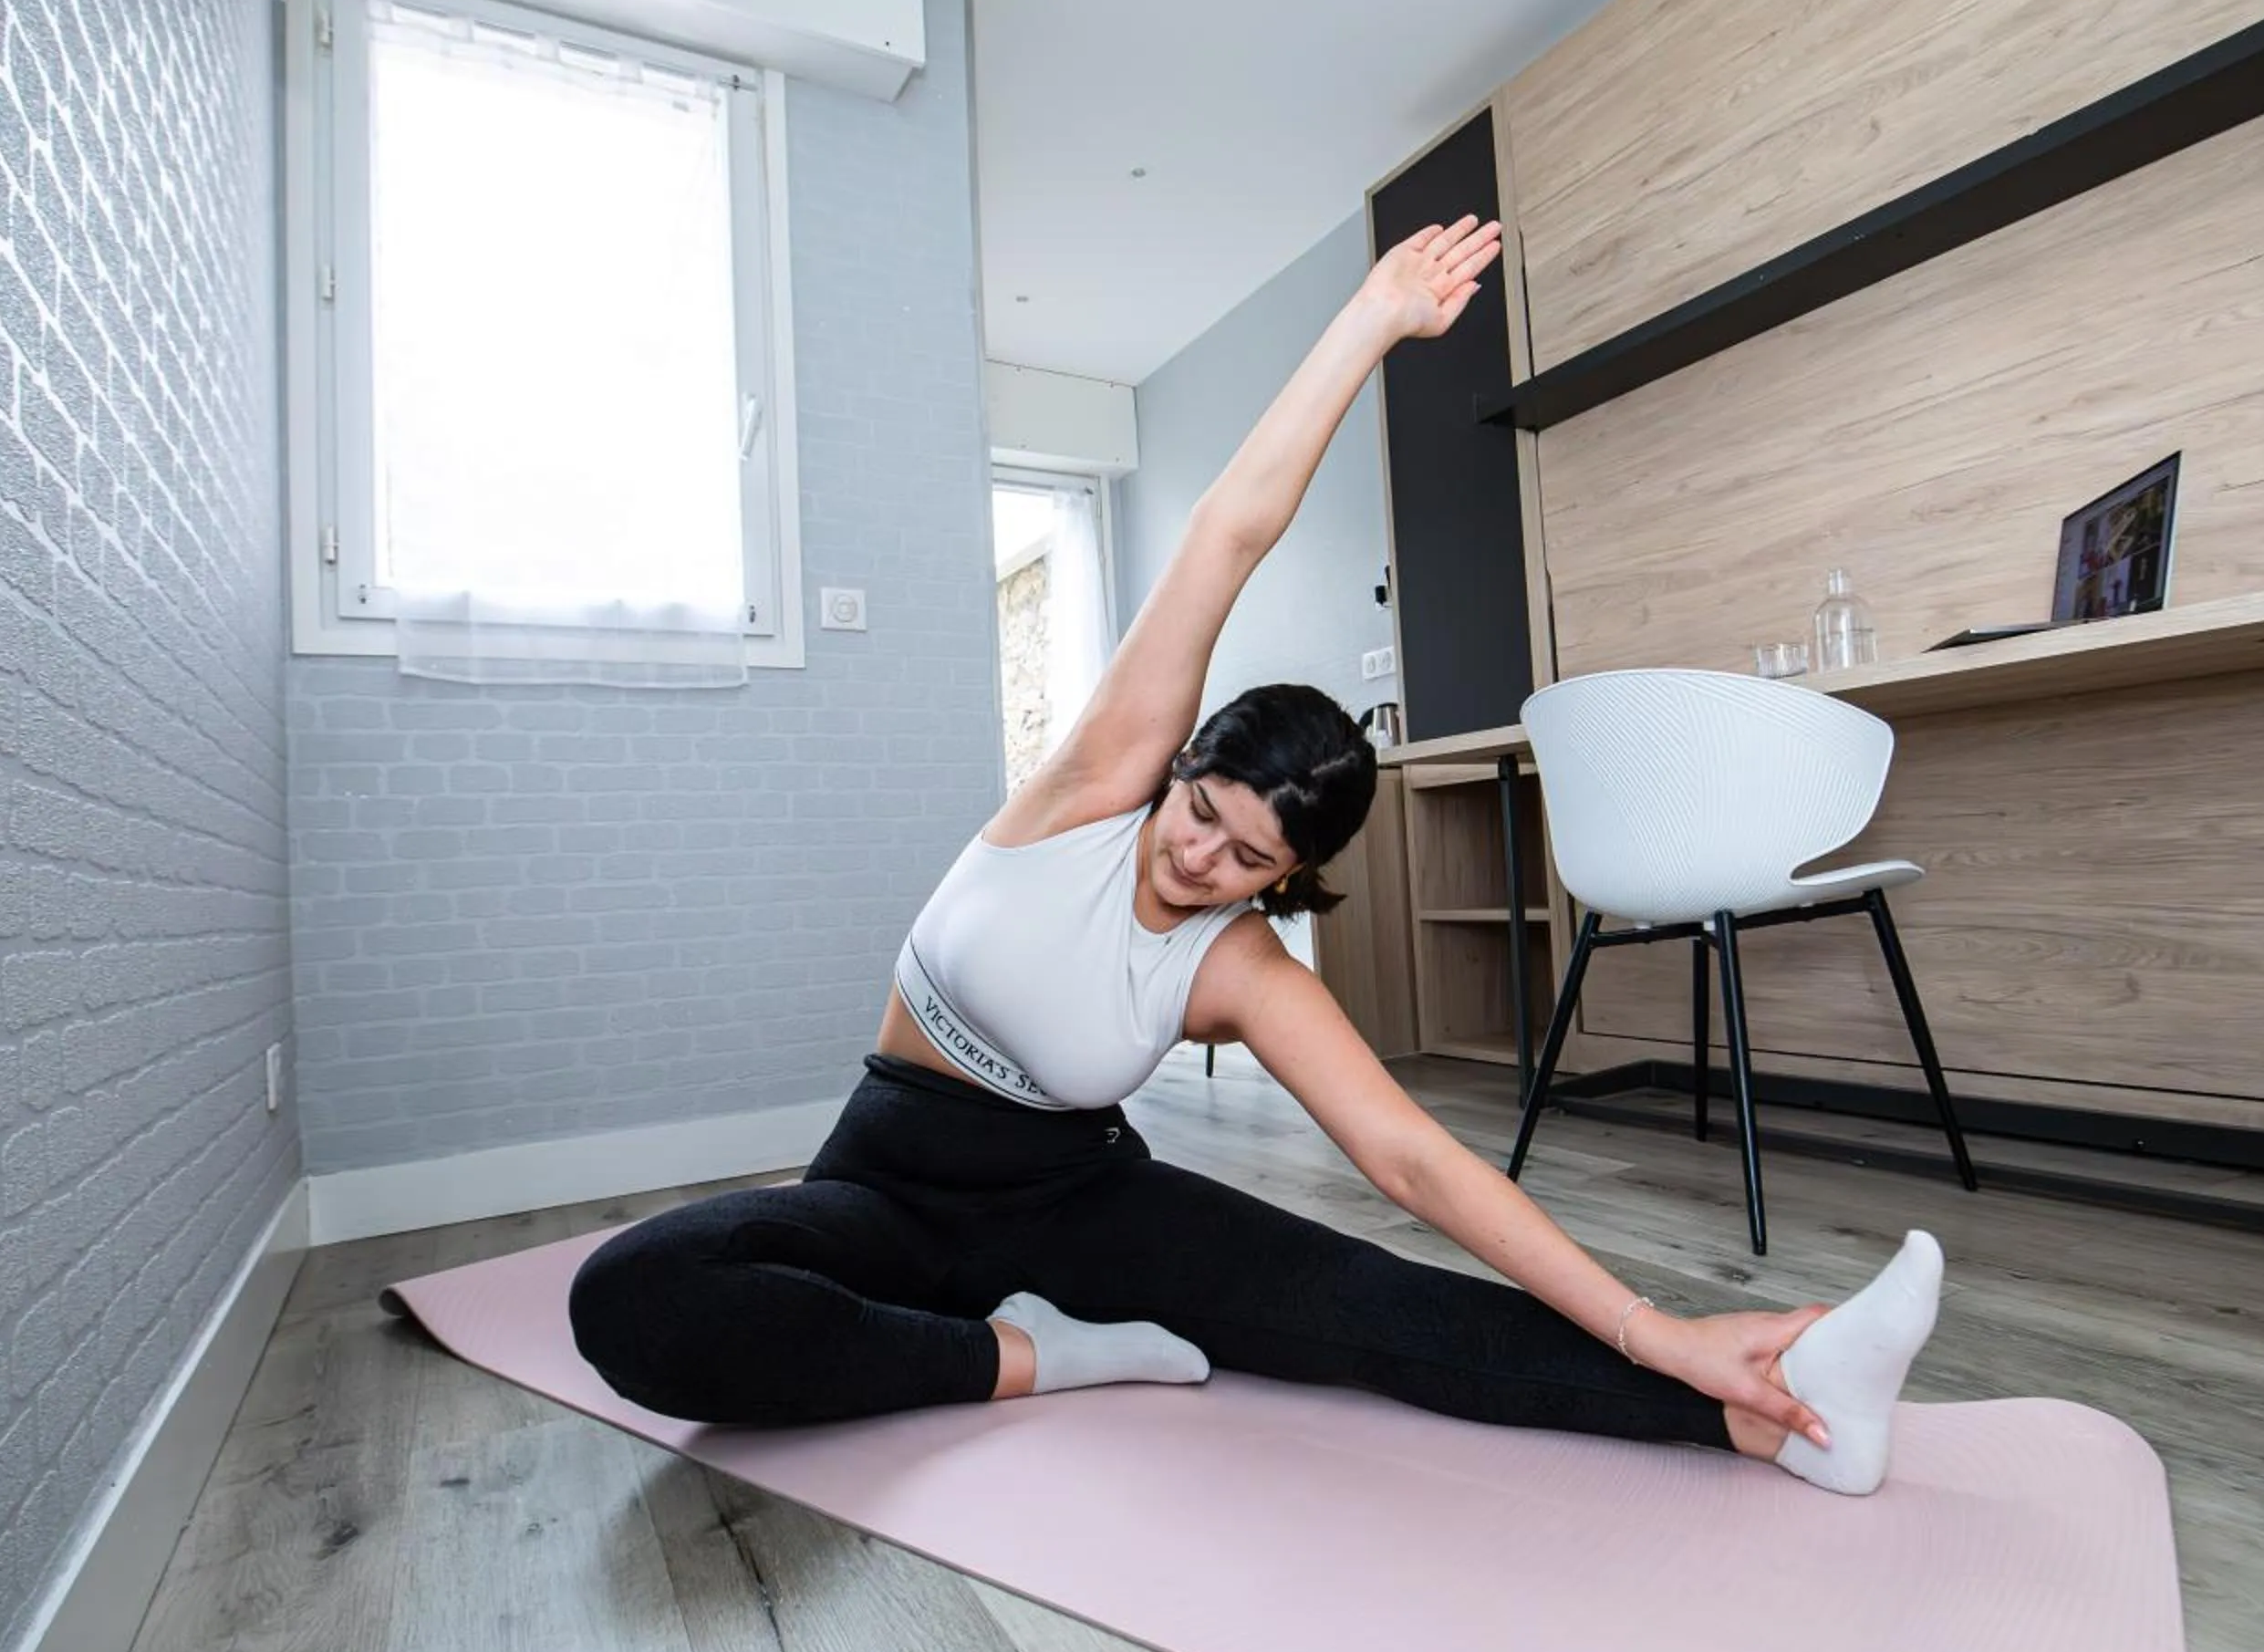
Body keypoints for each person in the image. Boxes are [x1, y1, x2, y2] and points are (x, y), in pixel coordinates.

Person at [570, 217, 1945, 1496]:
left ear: (1283, 879)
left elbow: (1417, 1167)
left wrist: (1665, 1335)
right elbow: (1229, 534)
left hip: (1076, 1207)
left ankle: (1765, 1410)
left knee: (1369, 1309)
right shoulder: (1090, 794)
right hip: (878, 1188)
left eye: (1244, 861)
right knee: (634, 1302)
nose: (1197, 861)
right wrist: (1368, 320)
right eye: (1202, 814)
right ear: (1177, 770)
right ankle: (1040, 1358)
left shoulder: (1239, 970)